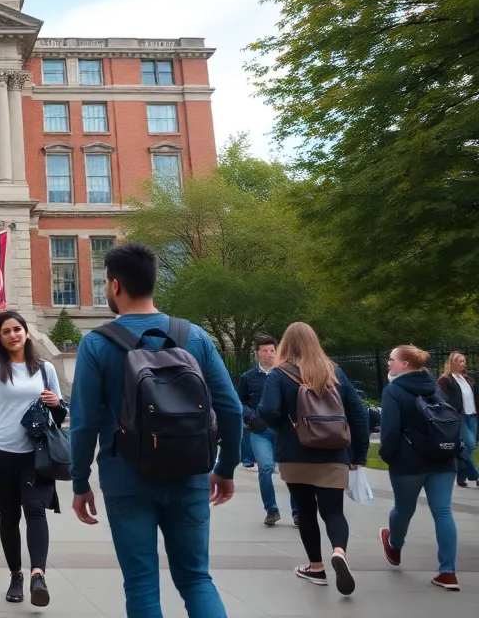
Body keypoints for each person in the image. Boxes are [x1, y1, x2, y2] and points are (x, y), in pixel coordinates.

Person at [69, 243, 242, 618]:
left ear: (114, 286)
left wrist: (79, 481)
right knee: (197, 579)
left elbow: (83, 422)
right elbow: (231, 408)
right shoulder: (193, 336)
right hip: (189, 472)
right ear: (153, 282)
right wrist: (226, 467)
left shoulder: (97, 343)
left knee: (142, 583)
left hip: (125, 475)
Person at [259, 321, 368, 595]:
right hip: (333, 452)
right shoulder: (334, 373)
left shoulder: (278, 374)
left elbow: (268, 411)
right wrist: (359, 454)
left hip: (296, 453)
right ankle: (340, 551)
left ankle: (316, 567)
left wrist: (283, 423)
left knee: (306, 512)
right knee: (333, 511)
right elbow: (358, 413)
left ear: (286, 344)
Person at [0, 311, 64, 607]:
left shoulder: (45, 369)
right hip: (0, 453)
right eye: (6, 331)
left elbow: (60, 413)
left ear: (27, 333)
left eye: (18, 329)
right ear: (0, 338)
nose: (13, 335)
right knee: (9, 517)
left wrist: (55, 403)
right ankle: (16, 575)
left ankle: (38, 574)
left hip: (34, 454)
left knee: (36, 510)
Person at [379, 345, 460, 591]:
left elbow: (390, 430)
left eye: (391, 359)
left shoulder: (394, 390)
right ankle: (448, 573)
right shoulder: (434, 386)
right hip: (444, 458)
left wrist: (388, 455)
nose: (388, 363)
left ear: (405, 364)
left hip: (409, 462)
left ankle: (394, 546)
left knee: (403, 509)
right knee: (443, 513)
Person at [237, 336, 297, 526]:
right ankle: (271, 509)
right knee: (265, 468)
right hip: (260, 430)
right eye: (265, 351)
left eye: (272, 350)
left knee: (291, 471)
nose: (269, 354)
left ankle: (297, 512)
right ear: (257, 353)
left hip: (283, 429)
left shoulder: (285, 374)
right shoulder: (248, 377)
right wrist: (251, 417)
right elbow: (240, 402)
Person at [438, 351, 478, 488]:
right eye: (460, 361)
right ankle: (475, 474)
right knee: (470, 444)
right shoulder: (445, 380)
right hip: (458, 416)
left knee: (466, 448)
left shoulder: (468, 379)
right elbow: (443, 401)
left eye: (464, 361)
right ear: (452, 363)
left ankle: (461, 477)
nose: (463, 363)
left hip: (472, 415)